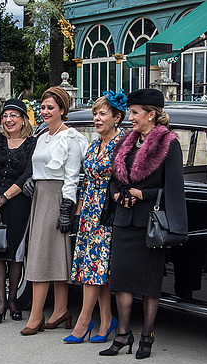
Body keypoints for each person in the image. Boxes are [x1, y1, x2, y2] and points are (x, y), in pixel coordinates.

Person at [99, 88, 187, 359]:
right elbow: (114, 175)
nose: (131, 117)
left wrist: (143, 194)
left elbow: (173, 187)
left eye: (135, 112)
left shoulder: (168, 143)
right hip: (124, 219)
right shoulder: (126, 141)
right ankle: (123, 335)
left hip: (151, 223)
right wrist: (115, 191)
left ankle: (147, 336)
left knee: (149, 284)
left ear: (151, 114)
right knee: (121, 281)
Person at [20, 86, 88, 335]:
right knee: (55, 254)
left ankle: (37, 316)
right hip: (40, 195)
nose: (45, 111)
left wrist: (66, 208)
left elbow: (72, 176)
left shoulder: (70, 137)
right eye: (43, 107)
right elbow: (39, 167)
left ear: (62, 109)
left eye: (51, 107)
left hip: (58, 198)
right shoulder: (42, 136)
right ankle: (60, 310)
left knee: (42, 254)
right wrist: (33, 180)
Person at [64, 91, 127, 344]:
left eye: (102, 114)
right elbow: (86, 180)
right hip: (89, 209)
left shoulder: (123, 144)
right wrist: (79, 212)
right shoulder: (94, 143)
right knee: (98, 268)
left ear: (117, 117)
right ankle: (106, 320)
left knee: (96, 266)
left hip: (108, 211)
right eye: (95, 114)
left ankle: (83, 321)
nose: (97, 119)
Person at [0, 99, 36, 324]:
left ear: (23, 119)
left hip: (17, 201)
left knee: (15, 254)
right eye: (5, 115)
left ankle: (14, 299)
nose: (8, 120)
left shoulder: (32, 143)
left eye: (14, 115)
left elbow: (28, 174)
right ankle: (1, 302)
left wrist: (6, 197)